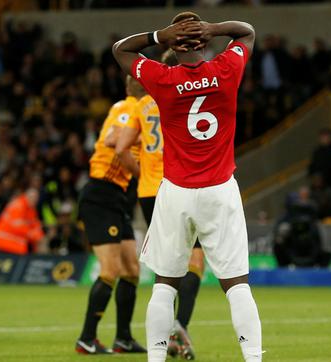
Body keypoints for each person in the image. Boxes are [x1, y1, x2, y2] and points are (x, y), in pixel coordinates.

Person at [113, 12, 263, 362]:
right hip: (220, 189)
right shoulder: (226, 70)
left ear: (173, 45)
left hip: (175, 191)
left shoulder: (162, 79)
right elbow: (247, 33)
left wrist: (157, 35)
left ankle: (156, 358)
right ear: (206, 42)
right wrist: (213, 29)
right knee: (237, 285)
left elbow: (121, 50)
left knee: (165, 286)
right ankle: (253, 358)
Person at [115, 49, 204, 360]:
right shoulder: (181, 98)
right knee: (194, 262)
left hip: (148, 192)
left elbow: (122, 148)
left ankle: (163, 336)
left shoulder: (142, 104)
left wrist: (142, 173)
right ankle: (179, 326)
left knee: (166, 267)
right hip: (179, 186)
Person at [74, 77, 146, 355]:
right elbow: (113, 138)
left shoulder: (143, 111)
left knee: (131, 270)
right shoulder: (127, 107)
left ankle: (123, 339)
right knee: (111, 270)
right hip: (100, 194)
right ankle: (86, 339)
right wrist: (146, 136)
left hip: (117, 196)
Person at [0, 188, 45, 255]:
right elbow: (18, 227)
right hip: (3, 242)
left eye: (36, 198)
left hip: (14, 243)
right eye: (32, 197)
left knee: (40, 242)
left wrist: (40, 236)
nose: (34, 200)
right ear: (26, 196)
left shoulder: (31, 209)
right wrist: (34, 235)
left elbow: (35, 224)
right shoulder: (18, 205)